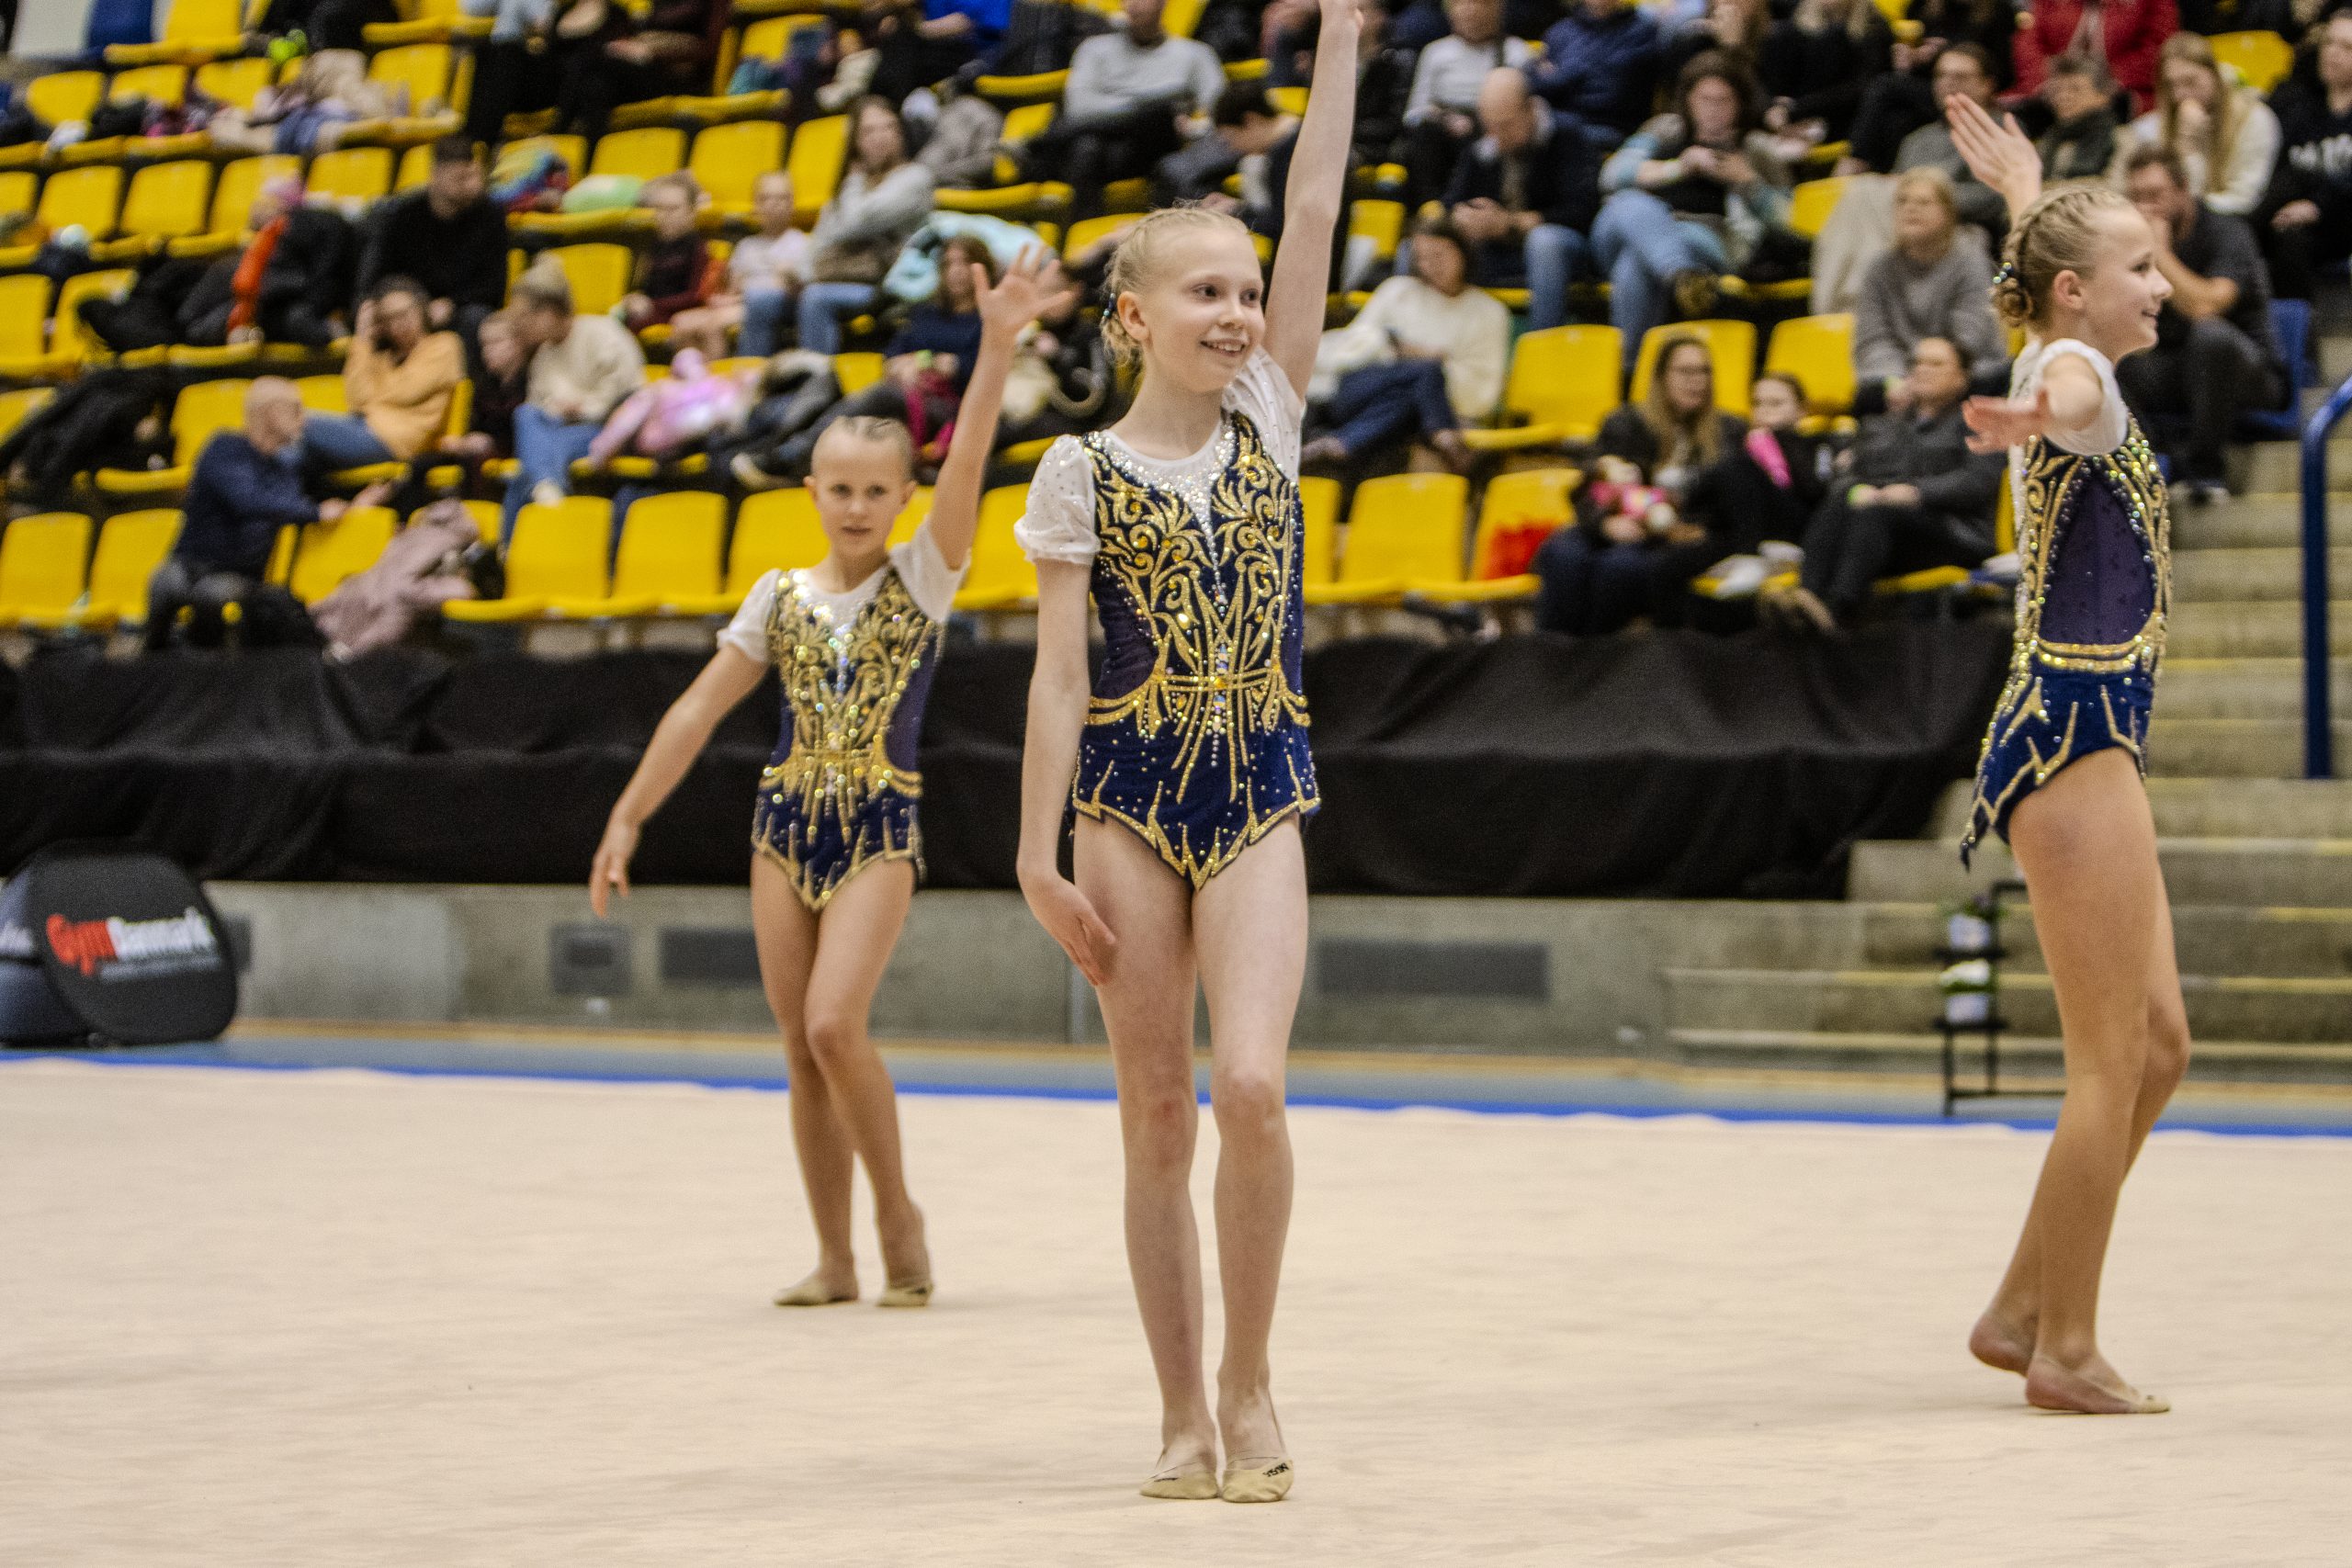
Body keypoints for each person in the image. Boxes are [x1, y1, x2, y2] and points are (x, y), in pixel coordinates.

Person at [1012, 0, 1359, 1506]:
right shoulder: (1077, 470)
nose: (1237, 313)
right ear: (1133, 318)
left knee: (1254, 1088)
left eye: (1247, 291)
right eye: (1204, 291)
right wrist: (1034, 857)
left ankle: (1251, 1376)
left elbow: (1317, 201)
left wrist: (1339, 39)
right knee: (1157, 1113)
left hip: (1260, 785)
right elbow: (1057, 677)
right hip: (1126, 805)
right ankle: (1177, 1413)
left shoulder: (1270, 413)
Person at [589, 252, 1069, 1318]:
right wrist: (627, 816)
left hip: (879, 827)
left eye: (875, 492)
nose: (856, 508)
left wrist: (996, 344)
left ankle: (900, 1219)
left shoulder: (924, 576)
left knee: (832, 1025)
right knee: (800, 1053)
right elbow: (696, 710)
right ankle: (835, 1258)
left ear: (903, 497)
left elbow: (970, 457)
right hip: (781, 826)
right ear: (811, 492)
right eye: (839, 490)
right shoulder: (778, 595)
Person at [1947, 92, 2187, 1417]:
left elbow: (2055, 330)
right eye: (2140, 266)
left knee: (2159, 1046)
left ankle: (2020, 1307)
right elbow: (2072, 383)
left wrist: (2025, 189)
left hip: (2090, 737)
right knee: (2108, 1061)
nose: (2163, 283)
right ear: (2078, 294)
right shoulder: (2073, 377)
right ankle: (2068, 1350)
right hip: (2073, 734)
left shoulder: (2059, 341)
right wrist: (2041, 406)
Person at [1772, 334, 2002, 630]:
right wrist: (1860, 489)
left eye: (1936, 364)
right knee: (1842, 499)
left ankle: (1836, 611)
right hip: (1891, 530)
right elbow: (1852, 470)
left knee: (1876, 513)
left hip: (1953, 531)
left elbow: (1978, 481)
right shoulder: (1887, 424)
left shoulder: (1980, 422)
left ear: (1962, 378)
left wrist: (1915, 493)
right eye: (1917, 363)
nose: (1923, 369)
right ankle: (1807, 596)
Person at [731, 236, 997, 488]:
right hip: (907, 399)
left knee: (881, 397)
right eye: (949, 264)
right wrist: (901, 367)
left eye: (965, 263)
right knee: (831, 387)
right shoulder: (926, 314)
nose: (956, 271)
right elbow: (891, 356)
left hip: (956, 413)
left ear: (982, 269)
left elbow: (978, 369)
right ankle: (785, 454)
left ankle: (791, 457)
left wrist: (928, 362)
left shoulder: (988, 320)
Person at [144, 379, 387, 651]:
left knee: (215, 600)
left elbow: (315, 498)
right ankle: (147, 658)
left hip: (238, 577)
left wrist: (355, 505)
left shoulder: (286, 468)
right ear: (271, 413)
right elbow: (248, 500)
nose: (304, 419)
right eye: (295, 410)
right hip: (189, 565)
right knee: (165, 583)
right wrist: (315, 512)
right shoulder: (224, 449)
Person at [1531, 331, 1745, 633]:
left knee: (1619, 567)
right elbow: (1588, 487)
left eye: (1704, 372)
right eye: (1685, 372)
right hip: (1615, 523)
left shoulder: (1728, 430)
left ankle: (1596, 652)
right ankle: (1554, 652)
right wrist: (1605, 524)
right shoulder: (1626, 423)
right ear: (1661, 377)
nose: (1696, 381)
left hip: (1673, 535)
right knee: (1563, 556)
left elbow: (1727, 504)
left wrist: (1674, 527)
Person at [1595, 52, 1796, 372]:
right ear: (1687, 101)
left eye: (1723, 101)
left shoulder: (1756, 148)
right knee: (1629, 203)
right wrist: (1679, 168)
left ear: (1740, 104)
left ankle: (1629, 372)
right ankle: (1681, 275)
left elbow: (1789, 221)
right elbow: (1611, 175)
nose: (1713, 110)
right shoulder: (1665, 130)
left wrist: (1747, 183)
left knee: (1634, 263)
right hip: (1636, 226)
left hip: (1708, 238)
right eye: (1704, 100)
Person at [2117, 145, 2285, 504]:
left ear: (2183, 189)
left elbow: (2206, 307)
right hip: (2175, 369)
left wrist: (2160, 253)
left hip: (2247, 370)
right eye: (2136, 197)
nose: (2146, 207)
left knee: (2211, 337)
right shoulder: (2129, 247)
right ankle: (2154, 468)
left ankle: (2207, 471)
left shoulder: (2228, 232)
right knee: (2103, 357)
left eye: (2155, 195)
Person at [1303, 215, 1508, 469]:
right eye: (1423, 257)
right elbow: (1351, 349)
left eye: (1440, 255)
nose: (1431, 265)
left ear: (1463, 252)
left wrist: (1424, 365)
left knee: (1416, 391)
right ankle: (1444, 437)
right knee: (1427, 371)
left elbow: (1482, 392)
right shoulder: (1396, 290)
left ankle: (1341, 445)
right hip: (1355, 389)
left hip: (1406, 408)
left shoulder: (1489, 312)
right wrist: (1398, 350)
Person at [1023, 0, 1227, 217]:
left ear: (1163, 3)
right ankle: (1086, 229)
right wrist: (1148, 108)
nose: (1134, 5)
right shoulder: (1093, 49)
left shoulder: (1195, 54)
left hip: (1161, 146)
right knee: (1087, 147)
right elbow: (1080, 109)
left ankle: (1039, 144)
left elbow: (1225, 113)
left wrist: (1194, 130)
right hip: (1109, 150)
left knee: (1158, 120)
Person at [1438, 68, 1601, 330]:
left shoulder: (1568, 135)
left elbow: (1581, 211)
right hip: (1495, 251)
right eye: (1490, 125)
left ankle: (1542, 344)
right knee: (1419, 246)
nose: (1496, 135)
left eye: (1506, 125)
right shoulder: (1484, 140)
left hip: (1563, 249)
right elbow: (1451, 202)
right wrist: (1464, 219)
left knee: (1544, 242)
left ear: (1531, 109)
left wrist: (1510, 224)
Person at [502, 263, 647, 536]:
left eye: (525, 317)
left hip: (608, 429)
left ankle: (515, 542)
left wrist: (581, 408)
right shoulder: (542, 356)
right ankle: (547, 491)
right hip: (560, 433)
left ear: (548, 312)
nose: (520, 325)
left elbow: (626, 394)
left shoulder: (603, 332)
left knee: (527, 470)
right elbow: (537, 410)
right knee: (525, 416)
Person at [1853, 167, 2007, 409]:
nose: (1910, 209)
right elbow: (1873, 340)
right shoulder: (1879, 269)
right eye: (1902, 202)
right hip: (1902, 379)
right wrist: (1897, 380)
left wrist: (1932, 375)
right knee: (1865, 396)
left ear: (1948, 212)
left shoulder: (1970, 259)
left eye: (1923, 202)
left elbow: (1971, 334)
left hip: (1966, 371)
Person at [797, 97, 938, 356]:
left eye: (889, 127)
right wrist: (800, 275)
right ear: (856, 142)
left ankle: (816, 374)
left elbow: (855, 222)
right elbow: (823, 236)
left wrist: (854, 181)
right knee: (765, 299)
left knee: (815, 298)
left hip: (891, 283)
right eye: (869, 131)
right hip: (843, 274)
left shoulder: (915, 178)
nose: (880, 136)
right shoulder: (850, 187)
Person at [297, 276, 467, 479]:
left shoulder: (444, 345)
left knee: (295, 420)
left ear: (421, 310)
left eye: (405, 313)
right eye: (389, 318)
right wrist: (362, 338)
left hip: (397, 443)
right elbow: (357, 401)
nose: (399, 323)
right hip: (364, 430)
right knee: (292, 455)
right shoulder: (380, 358)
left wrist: (374, 397)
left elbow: (407, 392)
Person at [357, 138, 510, 357]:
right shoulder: (404, 215)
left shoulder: (490, 215)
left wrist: (452, 304)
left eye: (473, 176)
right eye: (460, 178)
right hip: (408, 306)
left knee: (475, 318)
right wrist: (412, 307)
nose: (471, 186)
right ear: (436, 174)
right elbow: (382, 275)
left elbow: (493, 287)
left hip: (461, 310)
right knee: (373, 314)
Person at [2113, 30, 2279, 217]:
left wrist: (2190, 145)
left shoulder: (2255, 118)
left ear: (2215, 75)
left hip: (2230, 221)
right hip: (2169, 219)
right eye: (2172, 85)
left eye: (2190, 81)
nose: (2180, 95)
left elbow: (2243, 199)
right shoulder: (2158, 124)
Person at [1400, 0, 1536, 203]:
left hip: (1491, 126)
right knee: (1424, 136)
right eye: (1462, 5)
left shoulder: (1516, 51)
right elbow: (1413, 114)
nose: (1470, 12)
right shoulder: (1435, 52)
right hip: (1443, 127)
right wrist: (1445, 119)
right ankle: (1431, 207)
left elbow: (1524, 111)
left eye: (1479, 5)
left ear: (1497, 10)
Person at [2257, 8, 2352, 301]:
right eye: (2328, 42)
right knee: (2289, 235)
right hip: (2294, 219)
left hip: (2343, 219)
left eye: (2347, 47)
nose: (2333, 52)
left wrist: (2318, 205)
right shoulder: (2297, 107)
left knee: (2297, 181)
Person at [668, 173, 810, 362]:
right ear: (756, 205)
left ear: (792, 203)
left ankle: (717, 378)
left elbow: (789, 289)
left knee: (713, 325)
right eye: (766, 198)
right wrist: (724, 299)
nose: (773, 204)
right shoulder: (746, 246)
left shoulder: (801, 243)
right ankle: (690, 375)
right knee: (681, 322)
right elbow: (733, 287)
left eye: (781, 198)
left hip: (772, 306)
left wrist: (737, 300)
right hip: (738, 304)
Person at [1758, 0, 1894, 150]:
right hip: (1798, 118)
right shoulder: (1793, 32)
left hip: (1846, 122)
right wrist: (1779, 107)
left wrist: (1797, 108)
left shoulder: (1874, 30)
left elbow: (1861, 89)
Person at [1530, 0, 1667, 144]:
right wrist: (1581, 74)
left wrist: (1561, 76)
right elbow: (1536, 84)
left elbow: (1615, 94)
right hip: (1559, 120)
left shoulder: (1641, 32)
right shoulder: (1561, 31)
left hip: (1610, 127)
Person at [2011, 0, 2178, 115]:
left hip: (2125, 95)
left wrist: (2107, 81)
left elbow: (2159, 48)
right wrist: (2047, 82)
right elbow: (2029, 41)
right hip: (2053, 92)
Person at [618, 173, 717, 333]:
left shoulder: (699, 247)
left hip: (680, 318)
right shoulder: (653, 246)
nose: (664, 216)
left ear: (692, 212)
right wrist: (633, 299)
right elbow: (643, 288)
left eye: (673, 209)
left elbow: (696, 296)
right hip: (648, 314)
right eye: (659, 208)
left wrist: (652, 305)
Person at [2037, 52, 2120, 183]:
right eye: (2057, 90)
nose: (2063, 97)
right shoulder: (2048, 140)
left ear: (2103, 96)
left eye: (2075, 89)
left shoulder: (2121, 139)